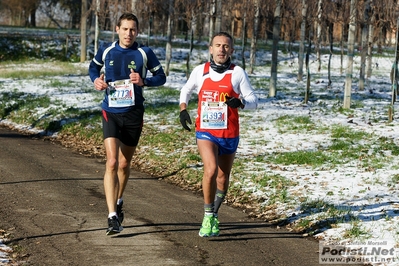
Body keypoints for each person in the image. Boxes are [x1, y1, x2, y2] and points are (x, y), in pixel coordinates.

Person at [89, 13, 166, 235]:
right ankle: (112, 216)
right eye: (125, 29)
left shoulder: (144, 52)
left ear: (137, 32)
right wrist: (96, 80)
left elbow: (161, 76)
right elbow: (93, 68)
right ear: (117, 29)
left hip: (134, 113)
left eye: (132, 30)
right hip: (111, 112)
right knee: (111, 162)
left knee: (124, 164)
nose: (128, 33)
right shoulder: (107, 50)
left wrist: (144, 81)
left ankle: (119, 200)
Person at [179, 31, 258, 237]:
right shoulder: (200, 71)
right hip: (206, 131)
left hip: (229, 133)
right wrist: (183, 109)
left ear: (231, 50)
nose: (221, 49)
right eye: (218, 45)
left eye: (226, 46)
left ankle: (214, 214)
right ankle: (207, 216)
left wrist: (240, 103)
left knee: (223, 178)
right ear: (211, 49)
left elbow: (254, 101)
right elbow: (186, 90)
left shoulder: (237, 73)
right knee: (211, 169)